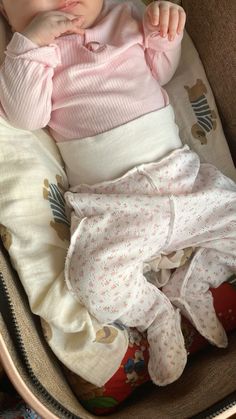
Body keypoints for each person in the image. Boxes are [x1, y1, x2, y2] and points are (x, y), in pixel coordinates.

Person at [0, 0, 235, 387]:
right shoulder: (32, 54)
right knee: (89, 276)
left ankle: (191, 283)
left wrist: (164, 35)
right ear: (8, 13)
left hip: (180, 178)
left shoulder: (126, 15)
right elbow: (26, 116)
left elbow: (162, 71)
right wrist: (31, 44)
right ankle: (156, 312)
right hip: (113, 203)